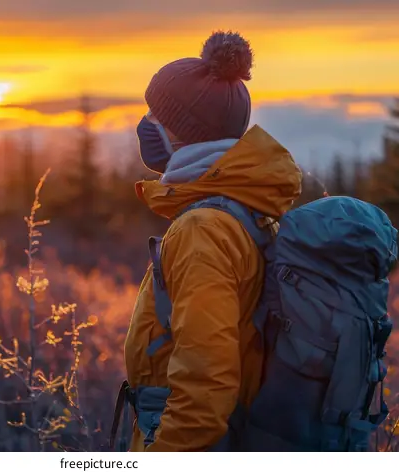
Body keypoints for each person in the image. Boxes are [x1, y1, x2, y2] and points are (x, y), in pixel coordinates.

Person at [121, 30, 303, 451]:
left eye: (155, 115)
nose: (145, 124)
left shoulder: (204, 229)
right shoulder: (247, 209)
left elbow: (204, 394)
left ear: (181, 132)